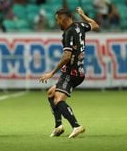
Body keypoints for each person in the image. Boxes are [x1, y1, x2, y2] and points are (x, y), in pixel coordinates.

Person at [39, 7, 99, 138]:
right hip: (77, 71)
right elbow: (95, 25)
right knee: (51, 93)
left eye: (58, 20)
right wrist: (83, 15)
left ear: (63, 18)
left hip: (72, 73)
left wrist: (51, 73)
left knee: (58, 101)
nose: (57, 23)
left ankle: (76, 126)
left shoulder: (69, 32)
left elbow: (67, 56)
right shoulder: (79, 25)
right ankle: (58, 126)